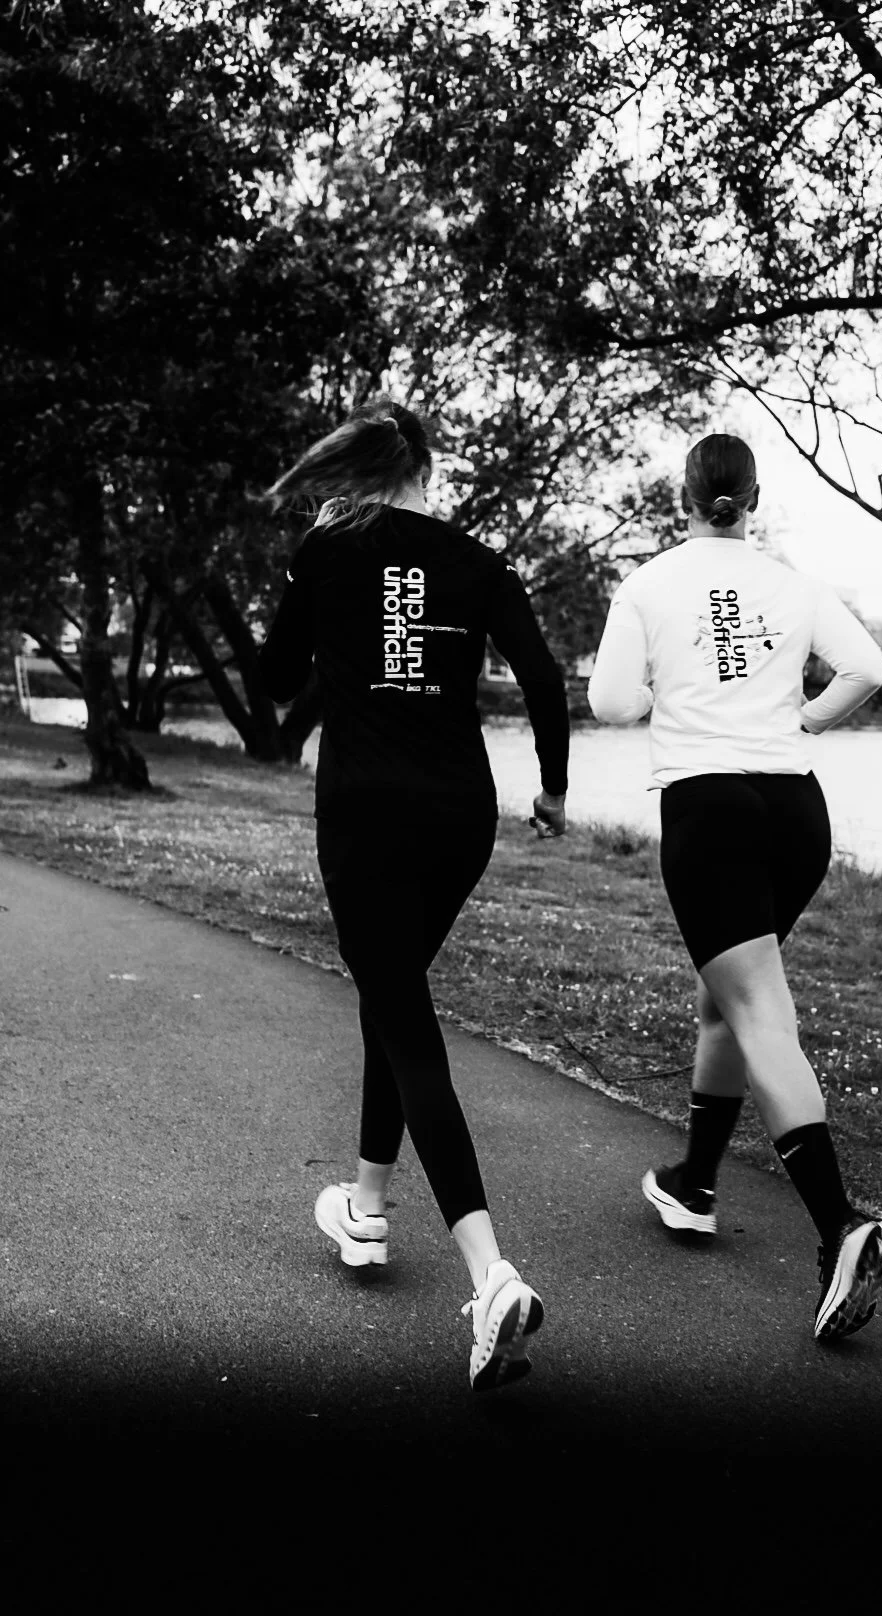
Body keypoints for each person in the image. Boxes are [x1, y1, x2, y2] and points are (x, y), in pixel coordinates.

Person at [258, 397, 570, 1389]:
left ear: (355, 473)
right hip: (459, 819)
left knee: (403, 1015)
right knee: (392, 1001)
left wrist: (312, 600)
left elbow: (272, 680)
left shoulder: (326, 550)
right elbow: (546, 680)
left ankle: (492, 1276)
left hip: (365, 814)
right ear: (424, 471)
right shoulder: (477, 561)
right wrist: (553, 792)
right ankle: (366, 1205)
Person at [587, 432, 882, 1341]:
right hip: (796, 812)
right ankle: (693, 1183)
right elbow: (869, 670)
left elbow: (611, 704)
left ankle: (841, 1227)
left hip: (710, 813)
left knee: (759, 1011)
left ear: (681, 497)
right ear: (753, 498)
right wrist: (801, 718)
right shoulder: (792, 580)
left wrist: (671, 690)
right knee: (726, 1002)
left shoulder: (647, 585)